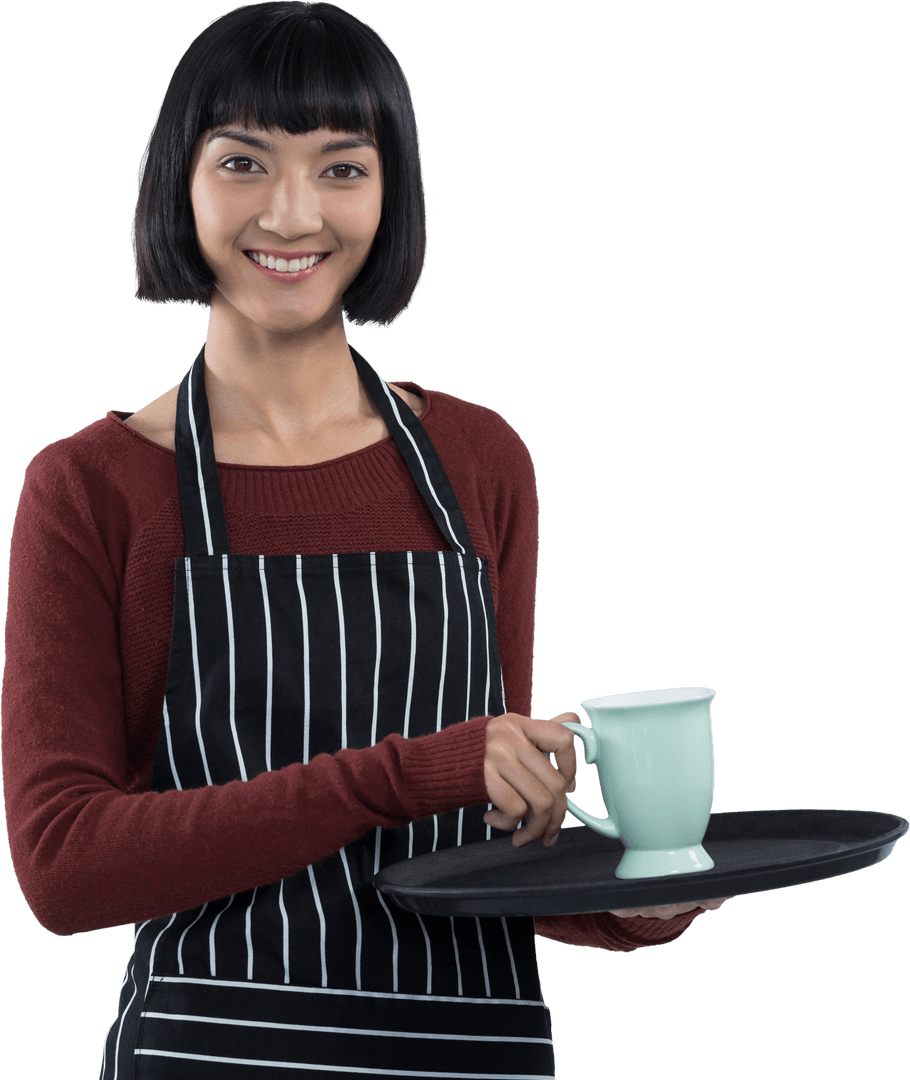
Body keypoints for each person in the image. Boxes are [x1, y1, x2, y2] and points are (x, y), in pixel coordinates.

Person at [1, 3, 724, 1076]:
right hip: (221, 1053)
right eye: (244, 161)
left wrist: (650, 897)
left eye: (342, 169)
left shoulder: (482, 462)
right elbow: (63, 872)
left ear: (392, 197)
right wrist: (402, 773)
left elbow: (482, 836)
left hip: (469, 1052)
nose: (292, 214)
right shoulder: (92, 487)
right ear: (177, 182)